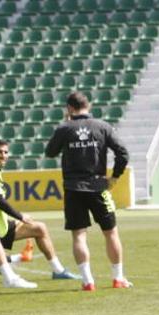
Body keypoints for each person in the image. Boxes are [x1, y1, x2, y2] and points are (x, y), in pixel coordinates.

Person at [45, 91, 132, 291]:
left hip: (73, 188)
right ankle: (118, 278)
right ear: (88, 106)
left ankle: (88, 281)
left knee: (79, 235)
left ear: (69, 108)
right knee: (111, 233)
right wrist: (115, 177)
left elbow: (50, 152)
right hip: (98, 187)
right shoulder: (102, 126)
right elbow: (123, 153)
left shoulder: (65, 128)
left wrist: (64, 125)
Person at [0, 140, 78, 281]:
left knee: (40, 228)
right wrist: (20, 217)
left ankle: (58, 270)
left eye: (5, 152)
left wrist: (16, 219)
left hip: (0, 228)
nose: (3, 155)